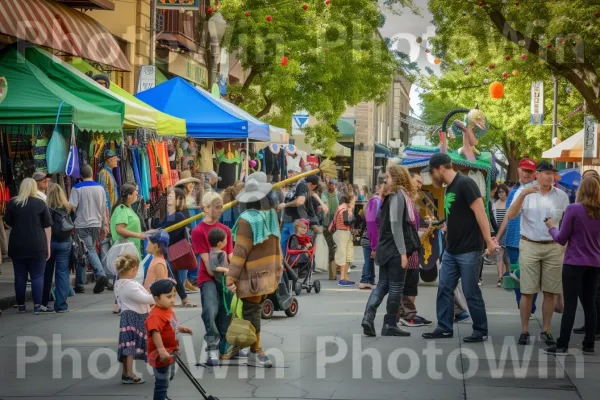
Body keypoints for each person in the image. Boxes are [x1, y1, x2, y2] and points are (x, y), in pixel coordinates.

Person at [422, 153, 497, 343]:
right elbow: (456, 213)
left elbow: (481, 213)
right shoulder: (449, 187)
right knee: (444, 288)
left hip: (469, 249)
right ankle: (444, 327)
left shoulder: (466, 184)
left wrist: (489, 241)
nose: (431, 176)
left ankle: (480, 330)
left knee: (471, 290)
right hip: (451, 249)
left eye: (431, 172)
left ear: (440, 168)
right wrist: (447, 224)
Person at [505, 160, 569, 346]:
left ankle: (546, 330)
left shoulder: (562, 196)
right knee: (527, 291)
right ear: (537, 174)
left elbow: (566, 221)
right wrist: (523, 194)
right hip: (529, 244)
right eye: (546, 173)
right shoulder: (524, 192)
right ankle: (524, 331)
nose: (550, 176)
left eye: (552, 173)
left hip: (553, 246)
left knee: (550, 292)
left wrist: (564, 244)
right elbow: (511, 215)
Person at [226, 173, 283, 367]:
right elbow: (278, 246)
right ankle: (247, 347)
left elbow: (241, 250)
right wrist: (279, 267)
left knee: (251, 312)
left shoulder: (246, 219)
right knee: (254, 310)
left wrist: (231, 275)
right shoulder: (272, 215)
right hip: (269, 273)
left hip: (252, 275)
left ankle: (255, 350)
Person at [541, 177, 600, 355]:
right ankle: (589, 343)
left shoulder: (574, 209)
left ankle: (562, 344)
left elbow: (561, 238)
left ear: (581, 190)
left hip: (574, 262)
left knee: (571, 304)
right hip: (595, 262)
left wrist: (551, 226)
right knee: (590, 303)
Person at [361, 165, 418, 337]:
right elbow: (395, 225)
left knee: (383, 284)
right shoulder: (398, 195)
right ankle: (390, 324)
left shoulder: (388, 196)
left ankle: (368, 317)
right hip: (394, 249)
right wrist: (402, 253)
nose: (386, 179)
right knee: (395, 287)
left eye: (388, 176)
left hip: (385, 248)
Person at [191, 191, 234, 366]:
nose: (221, 210)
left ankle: (225, 346)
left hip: (225, 276)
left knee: (226, 313)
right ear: (206, 208)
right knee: (210, 310)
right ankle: (212, 348)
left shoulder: (225, 230)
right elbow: (207, 264)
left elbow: (230, 255)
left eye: (221, 206)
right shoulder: (198, 230)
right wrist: (222, 273)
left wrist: (234, 276)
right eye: (217, 207)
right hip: (209, 277)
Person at [496, 158, 539, 318]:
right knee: (515, 277)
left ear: (535, 174)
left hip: (530, 242)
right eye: (524, 170)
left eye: (530, 171)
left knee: (531, 277)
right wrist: (498, 237)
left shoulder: (538, 192)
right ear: (519, 171)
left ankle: (530, 306)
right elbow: (507, 217)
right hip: (513, 242)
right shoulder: (513, 192)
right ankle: (522, 304)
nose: (526, 174)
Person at [5, 178, 52, 315]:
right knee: (38, 276)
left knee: (19, 275)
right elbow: (47, 226)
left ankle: (21, 305)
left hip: (17, 244)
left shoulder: (13, 203)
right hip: (37, 244)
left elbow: (7, 224)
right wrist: (48, 246)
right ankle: (37, 305)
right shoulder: (40, 203)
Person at [146, 279, 193, 400]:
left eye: (173, 296)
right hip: (160, 355)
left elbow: (171, 325)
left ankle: (163, 395)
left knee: (168, 377)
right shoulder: (155, 315)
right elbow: (155, 332)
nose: (172, 299)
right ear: (156, 299)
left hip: (171, 352)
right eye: (168, 297)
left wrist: (182, 329)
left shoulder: (167, 309)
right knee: (162, 383)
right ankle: (161, 397)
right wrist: (161, 350)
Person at [398, 172, 433, 328]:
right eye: (417, 181)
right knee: (409, 284)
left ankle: (403, 314)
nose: (419, 185)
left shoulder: (411, 200)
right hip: (407, 249)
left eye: (421, 182)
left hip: (410, 248)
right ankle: (408, 315)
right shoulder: (403, 198)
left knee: (407, 284)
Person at [114, 254, 154, 384]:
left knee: (127, 347)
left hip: (127, 316)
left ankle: (126, 373)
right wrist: (160, 296)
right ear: (133, 269)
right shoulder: (129, 285)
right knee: (130, 347)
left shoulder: (119, 283)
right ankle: (129, 374)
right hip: (134, 317)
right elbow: (145, 298)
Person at [70, 164, 109, 294]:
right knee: (84, 252)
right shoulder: (100, 188)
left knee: (88, 250)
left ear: (80, 176)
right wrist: (104, 224)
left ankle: (100, 273)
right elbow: (104, 208)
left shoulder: (76, 188)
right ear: (92, 173)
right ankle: (80, 284)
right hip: (96, 224)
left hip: (82, 224)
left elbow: (72, 207)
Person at [158, 187, 198, 304]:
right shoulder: (169, 215)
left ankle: (181, 299)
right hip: (168, 250)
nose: (169, 196)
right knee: (172, 275)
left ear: (179, 199)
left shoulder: (178, 216)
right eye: (169, 194)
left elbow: (165, 231)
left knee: (173, 275)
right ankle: (182, 299)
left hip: (173, 250)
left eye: (172, 194)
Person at [41, 184, 74, 313]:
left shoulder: (45, 208)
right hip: (65, 243)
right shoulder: (68, 208)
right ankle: (61, 305)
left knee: (46, 273)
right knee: (62, 274)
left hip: (49, 243)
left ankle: (44, 303)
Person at [279, 166, 309, 256]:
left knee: (295, 247)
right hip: (287, 221)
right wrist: (282, 219)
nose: (289, 175)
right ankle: (284, 267)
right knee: (283, 246)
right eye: (288, 172)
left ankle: (294, 267)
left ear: (298, 173)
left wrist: (286, 205)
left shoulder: (302, 184)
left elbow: (300, 201)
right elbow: (286, 201)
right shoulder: (293, 185)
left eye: (291, 172)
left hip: (296, 221)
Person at [110, 184, 147, 257]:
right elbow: (119, 229)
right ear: (129, 196)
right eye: (135, 194)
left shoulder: (127, 208)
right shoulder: (121, 209)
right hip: (126, 251)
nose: (137, 196)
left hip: (131, 249)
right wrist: (138, 235)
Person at [359, 183, 383, 290]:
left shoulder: (372, 201)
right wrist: (374, 245)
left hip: (368, 237)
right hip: (369, 238)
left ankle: (370, 279)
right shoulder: (376, 201)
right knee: (369, 260)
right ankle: (365, 280)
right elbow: (371, 221)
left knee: (369, 260)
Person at [333, 190, 356, 286]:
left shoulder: (346, 208)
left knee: (348, 255)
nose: (355, 201)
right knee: (343, 255)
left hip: (345, 233)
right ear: (350, 199)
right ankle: (342, 278)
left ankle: (345, 277)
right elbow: (347, 222)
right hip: (342, 233)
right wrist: (354, 219)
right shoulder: (344, 209)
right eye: (354, 199)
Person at [493, 183, 509, 286]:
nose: (501, 194)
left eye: (503, 192)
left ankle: (508, 274)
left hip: (508, 233)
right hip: (498, 233)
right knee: (499, 255)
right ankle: (500, 277)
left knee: (507, 257)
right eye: (499, 192)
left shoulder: (510, 204)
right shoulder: (495, 204)